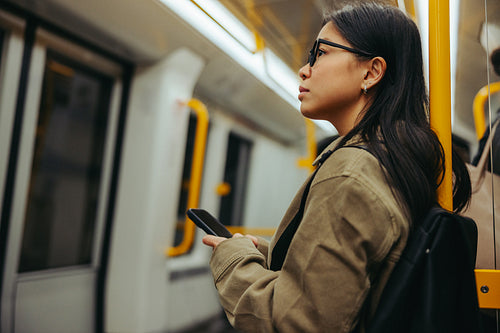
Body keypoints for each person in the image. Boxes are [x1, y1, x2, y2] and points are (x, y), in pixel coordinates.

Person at [202, 2, 471, 332]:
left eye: (321, 53)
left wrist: (234, 260)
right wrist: (271, 253)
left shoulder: (351, 173)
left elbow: (298, 325)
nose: (304, 69)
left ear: (371, 72)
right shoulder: (395, 163)